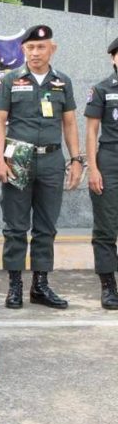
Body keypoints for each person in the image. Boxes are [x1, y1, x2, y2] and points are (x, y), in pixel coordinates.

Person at [0, 25, 83, 310]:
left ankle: (40, 286)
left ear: (52, 49)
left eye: (41, 47)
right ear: (23, 50)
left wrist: (76, 160)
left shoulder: (62, 82)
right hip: (18, 160)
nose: (35, 52)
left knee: (46, 227)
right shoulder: (10, 80)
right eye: (30, 47)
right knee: (15, 227)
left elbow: (70, 123)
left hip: (52, 161)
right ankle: (15, 286)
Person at [86, 37, 118, 310]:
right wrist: (93, 168)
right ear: (113, 58)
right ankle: (108, 287)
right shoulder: (102, 89)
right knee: (106, 227)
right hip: (110, 159)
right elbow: (91, 131)